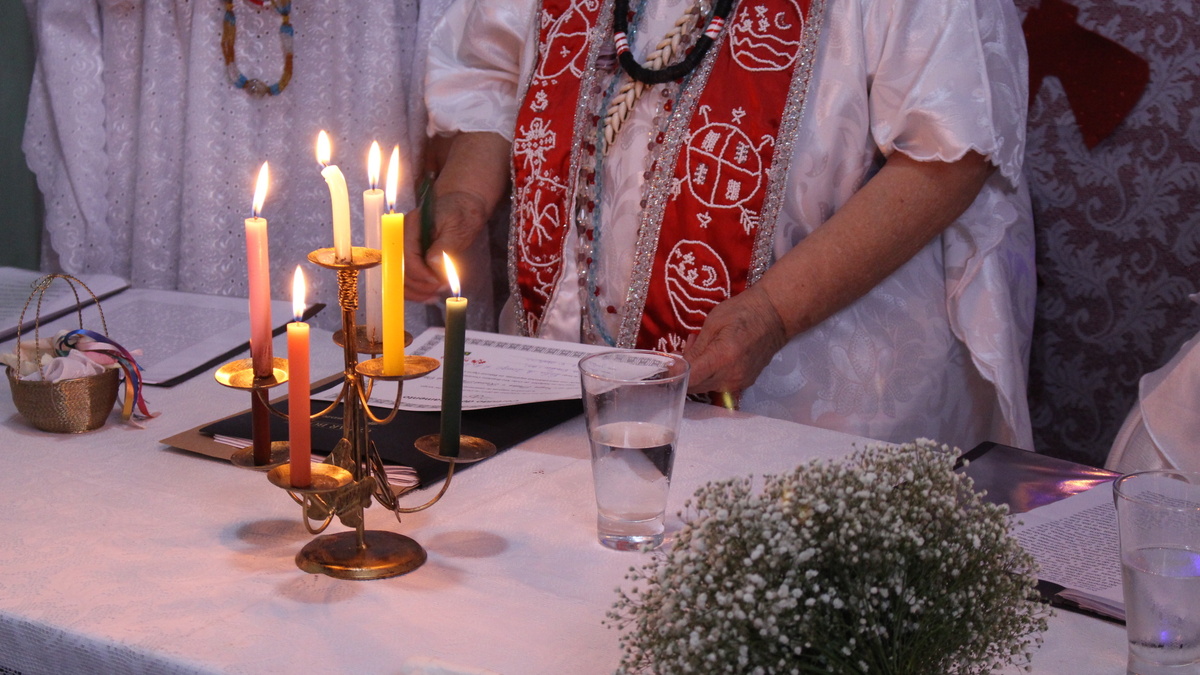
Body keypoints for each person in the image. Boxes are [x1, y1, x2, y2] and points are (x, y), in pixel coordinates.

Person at [407, 0, 1036, 452]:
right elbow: (491, 73)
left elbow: (951, 154)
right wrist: (463, 196)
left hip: (806, 397)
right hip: (556, 382)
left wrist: (772, 314)